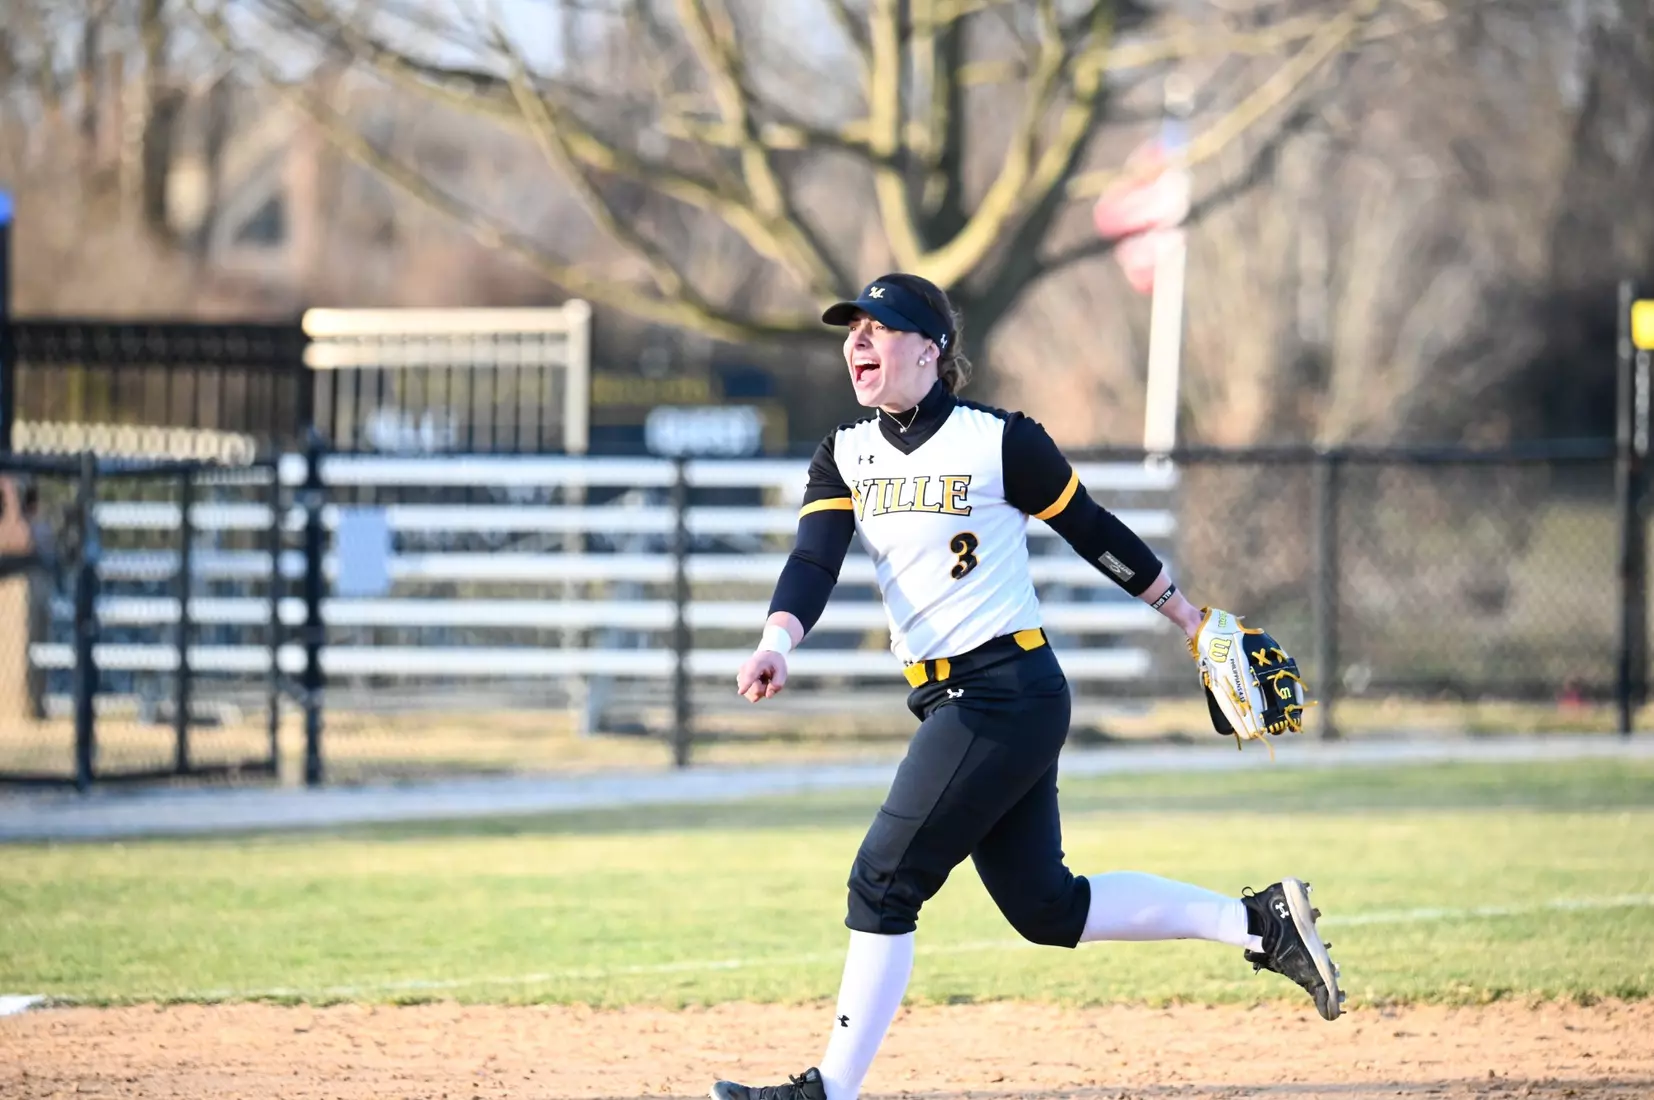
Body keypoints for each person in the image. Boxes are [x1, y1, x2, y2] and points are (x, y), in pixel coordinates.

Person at [710, 274, 1342, 1100]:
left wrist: (1188, 618)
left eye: (881, 327)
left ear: (932, 350)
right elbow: (814, 559)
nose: (859, 342)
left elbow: (1093, 531)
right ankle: (1258, 924)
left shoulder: (999, 440)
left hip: (1006, 690)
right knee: (1046, 909)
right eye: (852, 329)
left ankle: (830, 1089)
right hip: (954, 699)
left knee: (883, 878)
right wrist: (776, 640)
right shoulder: (846, 452)